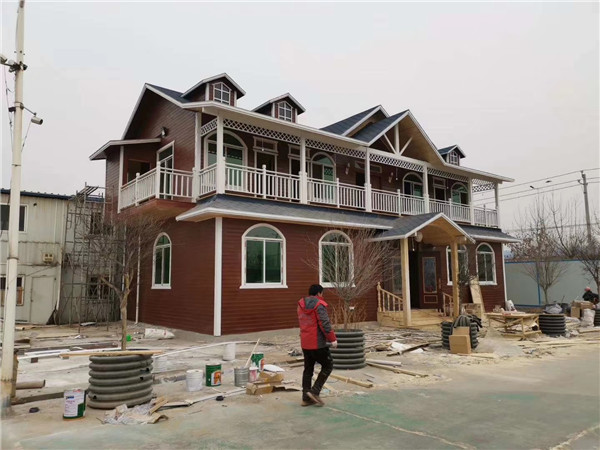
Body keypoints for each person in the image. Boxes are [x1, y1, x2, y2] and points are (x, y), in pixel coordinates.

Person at [297, 284, 337, 407]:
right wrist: (332, 339)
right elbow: (324, 324)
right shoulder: (319, 305)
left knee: (308, 369)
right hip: (318, 343)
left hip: (305, 342)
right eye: (322, 293)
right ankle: (314, 392)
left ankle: (306, 398)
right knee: (328, 365)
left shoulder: (300, 304)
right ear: (319, 293)